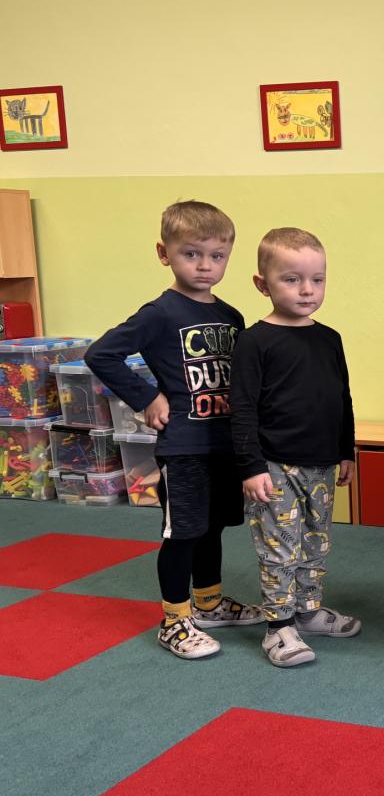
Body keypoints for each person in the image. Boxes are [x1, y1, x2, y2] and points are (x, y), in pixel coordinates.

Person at [86, 200, 262, 659]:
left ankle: (209, 603)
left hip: (225, 444)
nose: (205, 265)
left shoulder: (232, 316)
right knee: (183, 532)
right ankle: (174, 619)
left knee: (212, 528)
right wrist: (147, 397)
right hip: (184, 446)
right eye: (191, 254)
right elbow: (101, 354)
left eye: (217, 256)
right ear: (164, 254)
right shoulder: (159, 313)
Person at [230, 228, 359, 667]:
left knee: (317, 542)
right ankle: (278, 627)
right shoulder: (254, 341)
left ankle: (307, 611)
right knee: (280, 547)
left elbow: (342, 398)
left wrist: (346, 451)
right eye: (292, 279)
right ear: (262, 284)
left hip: (321, 464)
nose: (307, 290)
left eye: (317, 279)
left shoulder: (330, 338)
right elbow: (242, 409)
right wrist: (251, 466)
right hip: (273, 466)